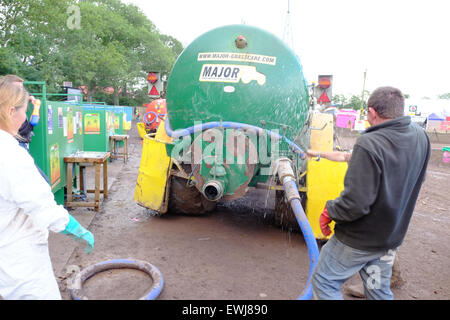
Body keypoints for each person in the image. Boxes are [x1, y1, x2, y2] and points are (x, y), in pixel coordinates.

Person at [310, 86, 430, 300]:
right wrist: (320, 153)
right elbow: (418, 178)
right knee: (378, 291)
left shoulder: (370, 142)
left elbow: (356, 203)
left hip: (358, 239)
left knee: (324, 280)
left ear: (372, 113)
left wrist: (330, 211)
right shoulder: (420, 136)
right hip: (389, 237)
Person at [0, 76, 94, 300]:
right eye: (24, 110)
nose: (26, 117)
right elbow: (42, 206)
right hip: (20, 256)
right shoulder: (11, 155)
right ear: (11, 111)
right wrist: (75, 228)